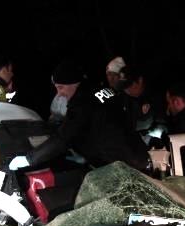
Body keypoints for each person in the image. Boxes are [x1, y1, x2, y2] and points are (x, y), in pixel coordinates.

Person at [8, 60, 149, 172]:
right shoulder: (102, 90)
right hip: (137, 156)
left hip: (120, 166)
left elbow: (63, 138)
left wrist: (29, 159)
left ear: (73, 84)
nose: (59, 93)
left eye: (61, 87)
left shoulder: (82, 103)